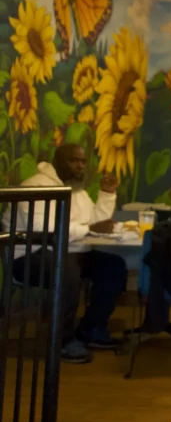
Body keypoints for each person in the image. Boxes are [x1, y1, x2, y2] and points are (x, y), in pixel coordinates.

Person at [2, 144, 128, 364]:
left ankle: (91, 328)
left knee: (114, 267)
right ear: (57, 161)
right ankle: (62, 341)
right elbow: (46, 230)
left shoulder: (76, 190)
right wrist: (88, 229)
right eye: (73, 161)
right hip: (30, 254)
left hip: (69, 250)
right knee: (67, 272)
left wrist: (107, 194)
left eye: (82, 161)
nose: (79, 166)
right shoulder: (37, 187)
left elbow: (94, 221)